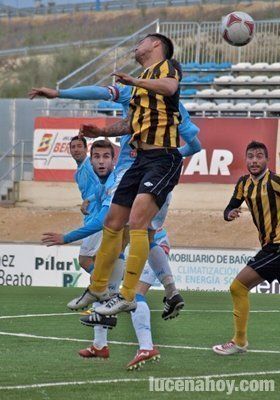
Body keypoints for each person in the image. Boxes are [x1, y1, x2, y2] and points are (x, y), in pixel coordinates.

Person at [29, 46, 201, 319]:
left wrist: (168, 156)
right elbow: (191, 142)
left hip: (152, 167)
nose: (136, 48)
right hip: (139, 170)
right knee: (135, 231)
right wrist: (63, 96)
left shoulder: (167, 99)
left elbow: (193, 140)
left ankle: (119, 295)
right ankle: (155, 291)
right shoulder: (137, 99)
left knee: (134, 227)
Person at [213, 141, 280, 355]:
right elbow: (230, 206)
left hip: (277, 247)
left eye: (259, 156)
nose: (254, 161)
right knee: (239, 288)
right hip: (269, 247)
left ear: (267, 160)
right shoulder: (244, 183)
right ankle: (239, 342)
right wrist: (229, 213)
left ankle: (240, 342)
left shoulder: (276, 181)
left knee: (238, 287)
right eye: (250, 156)